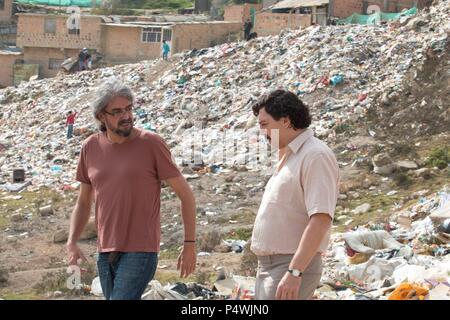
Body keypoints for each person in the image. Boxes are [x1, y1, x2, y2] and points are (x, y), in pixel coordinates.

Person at [66, 78, 197, 300]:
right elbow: (83, 202)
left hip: (140, 250)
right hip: (105, 250)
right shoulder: (90, 147)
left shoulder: (151, 143)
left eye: (128, 109)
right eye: (116, 111)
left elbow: (186, 196)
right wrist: (72, 242)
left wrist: (190, 245)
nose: (126, 116)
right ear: (101, 116)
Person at [250, 89, 340, 300]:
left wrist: (295, 271)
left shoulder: (315, 155)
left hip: (290, 265)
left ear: (286, 121)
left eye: (264, 125)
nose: (262, 133)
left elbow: (321, 218)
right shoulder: (290, 155)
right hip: (270, 266)